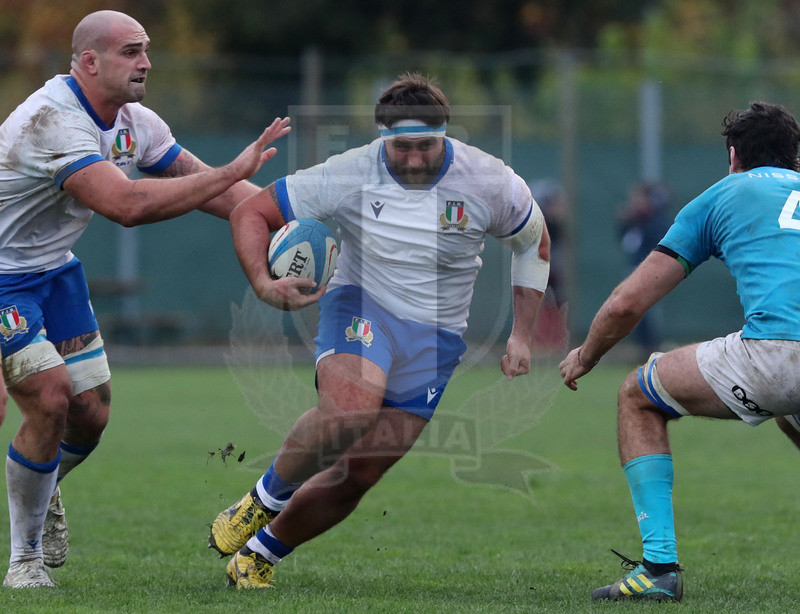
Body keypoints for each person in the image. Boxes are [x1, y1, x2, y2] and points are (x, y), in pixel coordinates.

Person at [208, 72, 551, 589]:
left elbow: (534, 244)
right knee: (350, 412)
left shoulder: (491, 181)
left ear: (445, 133)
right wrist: (262, 283)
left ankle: (258, 556)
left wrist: (521, 335)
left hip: (436, 338)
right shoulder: (350, 172)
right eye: (400, 148)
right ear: (380, 137)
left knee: (358, 476)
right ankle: (261, 500)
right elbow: (250, 212)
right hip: (360, 305)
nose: (413, 159)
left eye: (425, 146)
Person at [0, 10, 290, 588]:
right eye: (131, 52)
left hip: (55, 272)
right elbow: (128, 206)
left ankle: (43, 486)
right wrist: (234, 167)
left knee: (92, 415)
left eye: (147, 50)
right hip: (3, 277)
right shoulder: (52, 121)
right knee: (51, 399)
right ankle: (25, 560)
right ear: (89, 62)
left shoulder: (136, 121)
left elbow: (220, 190)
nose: (146, 63)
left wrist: (296, 222)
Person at [559, 101, 800, 603]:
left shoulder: (724, 193)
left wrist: (586, 356)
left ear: (733, 156)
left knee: (637, 395)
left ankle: (659, 569)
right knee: (791, 417)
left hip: (776, 354)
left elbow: (628, 304)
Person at [616, 181, 672, 359]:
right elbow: (625, 240)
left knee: (645, 312)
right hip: (634, 269)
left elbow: (657, 243)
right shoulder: (635, 222)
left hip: (649, 271)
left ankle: (651, 347)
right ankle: (643, 347)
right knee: (634, 312)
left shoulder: (657, 221)